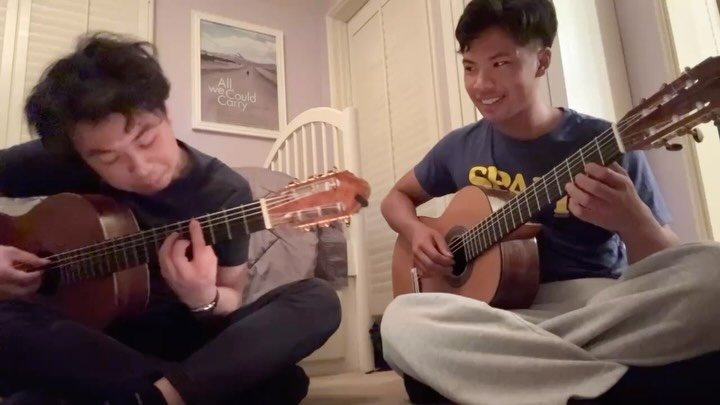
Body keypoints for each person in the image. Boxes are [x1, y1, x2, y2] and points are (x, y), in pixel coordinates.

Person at [379, 0, 720, 403]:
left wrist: (633, 221)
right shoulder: (458, 147)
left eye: (500, 64)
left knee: (711, 272)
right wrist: (416, 231)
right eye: (470, 67)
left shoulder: (604, 141)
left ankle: (505, 375)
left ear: (541, 62)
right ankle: (611, 380)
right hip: (495, 315)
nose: (481, 84)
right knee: (400, 320)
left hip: (594, 308)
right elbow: (395, 199)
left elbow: (666, 263)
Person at [0, 33, 341, 405]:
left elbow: (231, 295)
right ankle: (179, 388)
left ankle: (158, 395)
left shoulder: (225, 193)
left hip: (172, 336)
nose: (141, 167)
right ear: (81, 154)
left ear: (165, 112)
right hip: (85, 338)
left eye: (146, 139)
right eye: (109, 159)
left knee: (317, 301)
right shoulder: (63, 158)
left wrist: (204, 298)